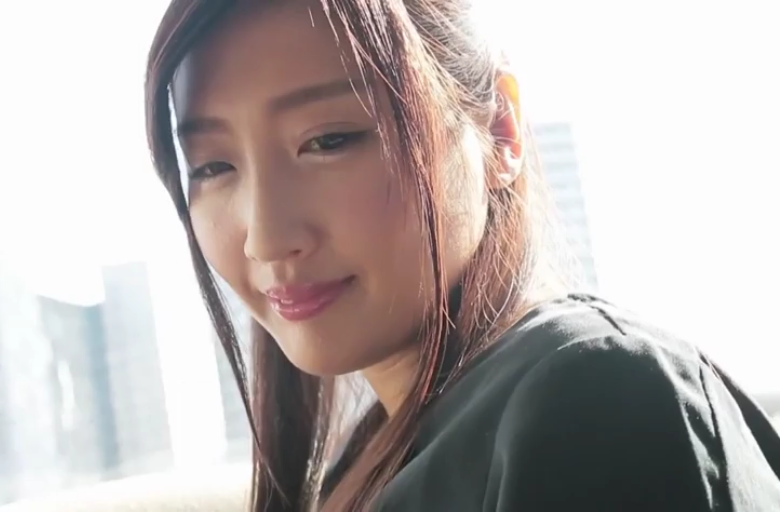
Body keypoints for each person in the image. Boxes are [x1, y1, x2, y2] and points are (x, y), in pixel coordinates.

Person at [144, 0, 780, 510]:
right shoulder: (382, 451)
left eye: (330, 140)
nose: (264, 237)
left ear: (501, 129)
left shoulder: (592, 397)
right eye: (213, 167)